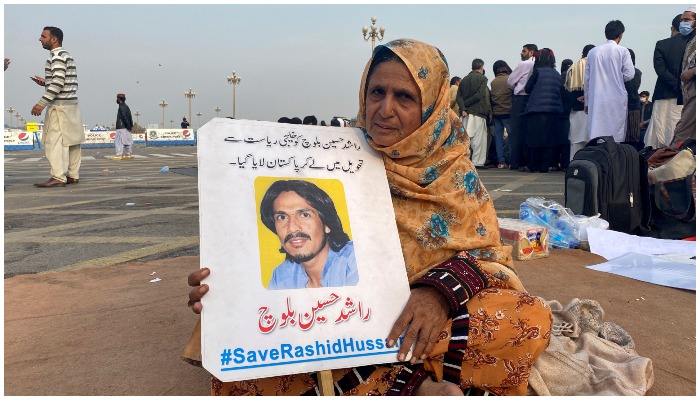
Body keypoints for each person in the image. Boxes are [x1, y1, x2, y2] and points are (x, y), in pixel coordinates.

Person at [186, 38, 552, 396]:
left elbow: (488, 259)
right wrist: (225, 289)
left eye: (404, 97)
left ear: (432, 104)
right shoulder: (331, 162)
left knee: (529, 321)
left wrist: (438, 294)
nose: (385, 109)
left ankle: (367, 380)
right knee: (236, 369)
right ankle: (411, 385)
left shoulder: (454, 175)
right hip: (341, 319)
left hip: (423, 317)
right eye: (377, 93)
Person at [259, 179, 358, 289]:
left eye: (304, 215)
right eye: (282, 217)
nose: (292, 228)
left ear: (327, 224)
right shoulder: (282, 276)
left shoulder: (354, 261)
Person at [30, 26, 84, 188]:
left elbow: (58, 83)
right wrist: (46, 83)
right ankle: (73, 175)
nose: (40, 39)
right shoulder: (66, 55)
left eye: (43, 36)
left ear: (54, 39)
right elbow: (64, 80)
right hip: (72, 104)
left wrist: (41, 103)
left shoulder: (56, 57)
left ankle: (58, 177)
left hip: (59, 106)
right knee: (72, 142)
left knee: (53, 142)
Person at [584, 20, 635, 142]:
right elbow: (630, 74)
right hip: (616, 97)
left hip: (596, 98)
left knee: (597, 131)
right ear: (620, 35)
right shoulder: (622, 51)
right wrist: (616, 78)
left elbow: (587, 79)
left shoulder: (592, 52)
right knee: (615, 134)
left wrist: (586, 102)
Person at [645, 14, 685, 148]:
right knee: (679, 134)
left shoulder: (661, 44)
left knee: (657, 135)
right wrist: (680, 86)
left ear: (672, 28)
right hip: (683, 96)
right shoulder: (692, 46)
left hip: (663, 94)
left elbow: (660, 70)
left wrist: (675, 84)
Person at [523, 48, 563, 173]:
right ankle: (545, 166)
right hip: (553, 111)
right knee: (549, 139)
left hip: (536, 109)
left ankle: (533, 165)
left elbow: (527, 88)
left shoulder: (537, 72)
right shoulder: (557, 75)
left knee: (534, 139)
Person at [507, 43, 538, 171]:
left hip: (520, 99)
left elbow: (510, 81)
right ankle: (526, 161)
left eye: (524, 51)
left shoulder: (524, 64)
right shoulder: (537, 65)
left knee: (516, 132)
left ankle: (515, 162)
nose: (521, 53)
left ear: (531, 52)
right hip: (532, 99)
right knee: (528, 132)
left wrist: (516, 88)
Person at [457, 58, 492, 168]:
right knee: (478, 140)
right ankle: (478, 162)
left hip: (464, 113)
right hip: (478, 112)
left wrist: (463, 107)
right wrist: (467, 105)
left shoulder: (464, 80)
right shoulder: (483, 78)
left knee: (465, 138)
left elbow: (459, 96)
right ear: (481, 68)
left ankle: (465, 160)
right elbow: (480, 95)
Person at [670, 6, 696, 147]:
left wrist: (692, 71)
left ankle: (665, 160)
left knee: (682, 132)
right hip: (690, 94)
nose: (683, 23)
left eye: (687, 20)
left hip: (695, 94)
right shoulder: (691, 40)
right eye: (682, 20)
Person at [565, 44, 595, 158]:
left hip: (576, 109)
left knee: (576, 142)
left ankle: (574, 165)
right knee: (592, 141)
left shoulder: (572, 67)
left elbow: (567, 88)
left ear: (582, 54)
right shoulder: (595, 65)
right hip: (592, 110)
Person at [490, 60, 513, 169]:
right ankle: (512, 160)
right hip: (508, 112)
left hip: (497, 113)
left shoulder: (493, 82)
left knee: (498, 138)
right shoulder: (510, 79)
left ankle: (501, 162)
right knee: (512, 137)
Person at [555, 58, 574, 170]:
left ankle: (556, 162)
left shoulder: (558, 77)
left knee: (558, 140)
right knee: (567, 141)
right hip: (568, 113)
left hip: (557, 112)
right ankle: (565, 163)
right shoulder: (572, 77)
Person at [623, 49, 643, 149]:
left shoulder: (620, 72)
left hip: (624, 106)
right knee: (633, 137)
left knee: (622, 137)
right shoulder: (638, 72)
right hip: (634, 106)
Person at [112, 93, 134, 160]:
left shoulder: (121, 107)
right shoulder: (126, 106)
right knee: (127, 141)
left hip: (121, 127)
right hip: (127, 127)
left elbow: (124, 117)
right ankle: (128, 154)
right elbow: (130, 117)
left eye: (117, 98)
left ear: (119, 99)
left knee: (119, 141)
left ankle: (119, 155)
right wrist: (130, 126)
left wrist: (128, 126)